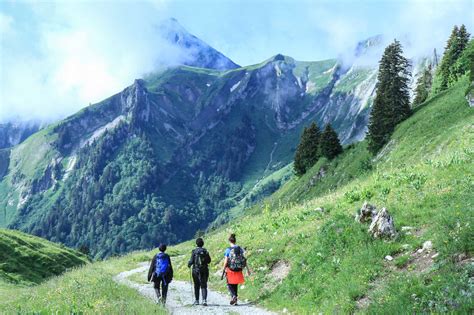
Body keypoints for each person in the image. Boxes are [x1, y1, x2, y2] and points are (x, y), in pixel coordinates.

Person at [222, 233, 250, 305]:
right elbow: (244, 259)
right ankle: (235, 301)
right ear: (235, 241)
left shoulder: (228, 250)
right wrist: (248, 269)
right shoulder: (240, 249)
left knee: (229, 284)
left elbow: (225, 261)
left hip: (230, 269)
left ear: (229, 241)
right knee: (235, 284)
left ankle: (234, 296)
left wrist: (223, 269)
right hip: (239, 268)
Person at [188, 237, 212, 306]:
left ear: (196, 244)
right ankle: (204, 300)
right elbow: (209, 261)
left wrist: (189, 264)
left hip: (195, 270)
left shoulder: (194, 251)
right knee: (204, 285)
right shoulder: (205, 251)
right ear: (203, 244)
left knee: (196, 285)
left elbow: (191, 261)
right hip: (204, 270)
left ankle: (197, 300)